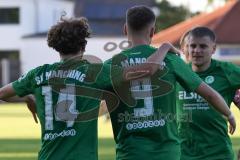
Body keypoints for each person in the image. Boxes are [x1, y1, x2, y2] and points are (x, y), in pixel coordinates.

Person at [0, 16, 182, 160]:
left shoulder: (37, 74)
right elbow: (148, 69)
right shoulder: (95, 73)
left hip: (49, 156)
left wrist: (28, 99)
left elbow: (3, 94)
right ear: (84, 44)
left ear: (54, 45)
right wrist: (164, 47)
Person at [104, 5, 235, 160]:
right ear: (153, 31)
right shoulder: (171, 59)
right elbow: (210, 95)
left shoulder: (109, 65)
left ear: (125, 29)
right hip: (167, 153)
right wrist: (229, 114)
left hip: (130, 152)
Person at [177, 26, 240, 160]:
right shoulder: (178, 72)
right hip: (183, 154)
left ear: (213, 49)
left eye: (203, 46)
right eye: (192, 46)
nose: (196, 51)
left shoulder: (227, 71)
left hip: (218, 154)